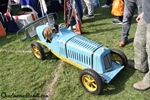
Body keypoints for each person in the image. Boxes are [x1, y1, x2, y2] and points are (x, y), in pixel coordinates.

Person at [133, 0, 150, 91]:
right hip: (146, 15)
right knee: (139, 42)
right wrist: (143, 12)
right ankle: (141, 66)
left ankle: (149, 80)